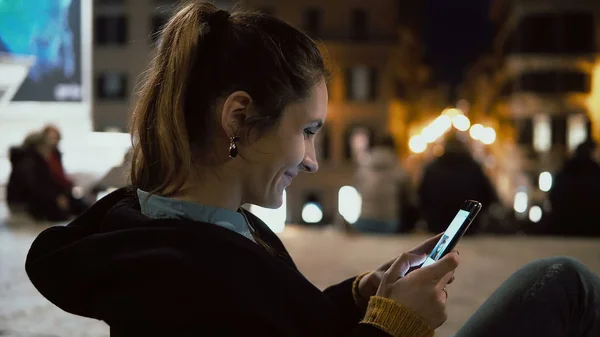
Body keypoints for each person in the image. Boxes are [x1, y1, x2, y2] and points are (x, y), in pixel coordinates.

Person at [25, 3, 600, 337]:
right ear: (239, 118)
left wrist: (363, 293)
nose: (313, 160)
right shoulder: (180, 270)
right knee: (564, 284)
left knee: (562, 281)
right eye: (306, 132)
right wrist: (394, 325)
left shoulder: (185, 229)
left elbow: (281, 322)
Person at [418, 133, 498, 234]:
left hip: (438, 225)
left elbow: (421, 195)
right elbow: (489, 195)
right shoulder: (473, 167)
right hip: (468, 225)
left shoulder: (432, 168)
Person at [6, 127, 87, 221]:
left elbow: (47, 184)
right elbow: (36, 189)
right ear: (39, 147)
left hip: (32, 200)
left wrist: (60, 195)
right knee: (61, 212)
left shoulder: (37, 162)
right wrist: (56, 198)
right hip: (24, 203)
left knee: (75, 204)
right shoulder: (28, 163)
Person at [353, 135, 409, 234]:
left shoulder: (364, 165)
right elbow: (408, 194)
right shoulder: (397, 167)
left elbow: (357, 187)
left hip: (364, 219)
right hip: (388, 221)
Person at [548, 140, 600, 236]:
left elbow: (554, 196)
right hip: (592, 224)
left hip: (564, 223)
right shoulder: (594, 172)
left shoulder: (565, 171)